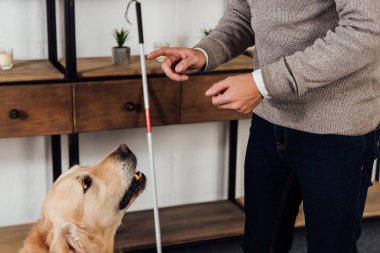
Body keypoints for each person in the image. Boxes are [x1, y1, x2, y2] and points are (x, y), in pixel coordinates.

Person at [147, 0, 380, 252]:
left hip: (337, 130)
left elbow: (367, 29)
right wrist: (205, 52)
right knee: (260, 245)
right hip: (269, 122)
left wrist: (263, 84)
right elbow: (243, 13)